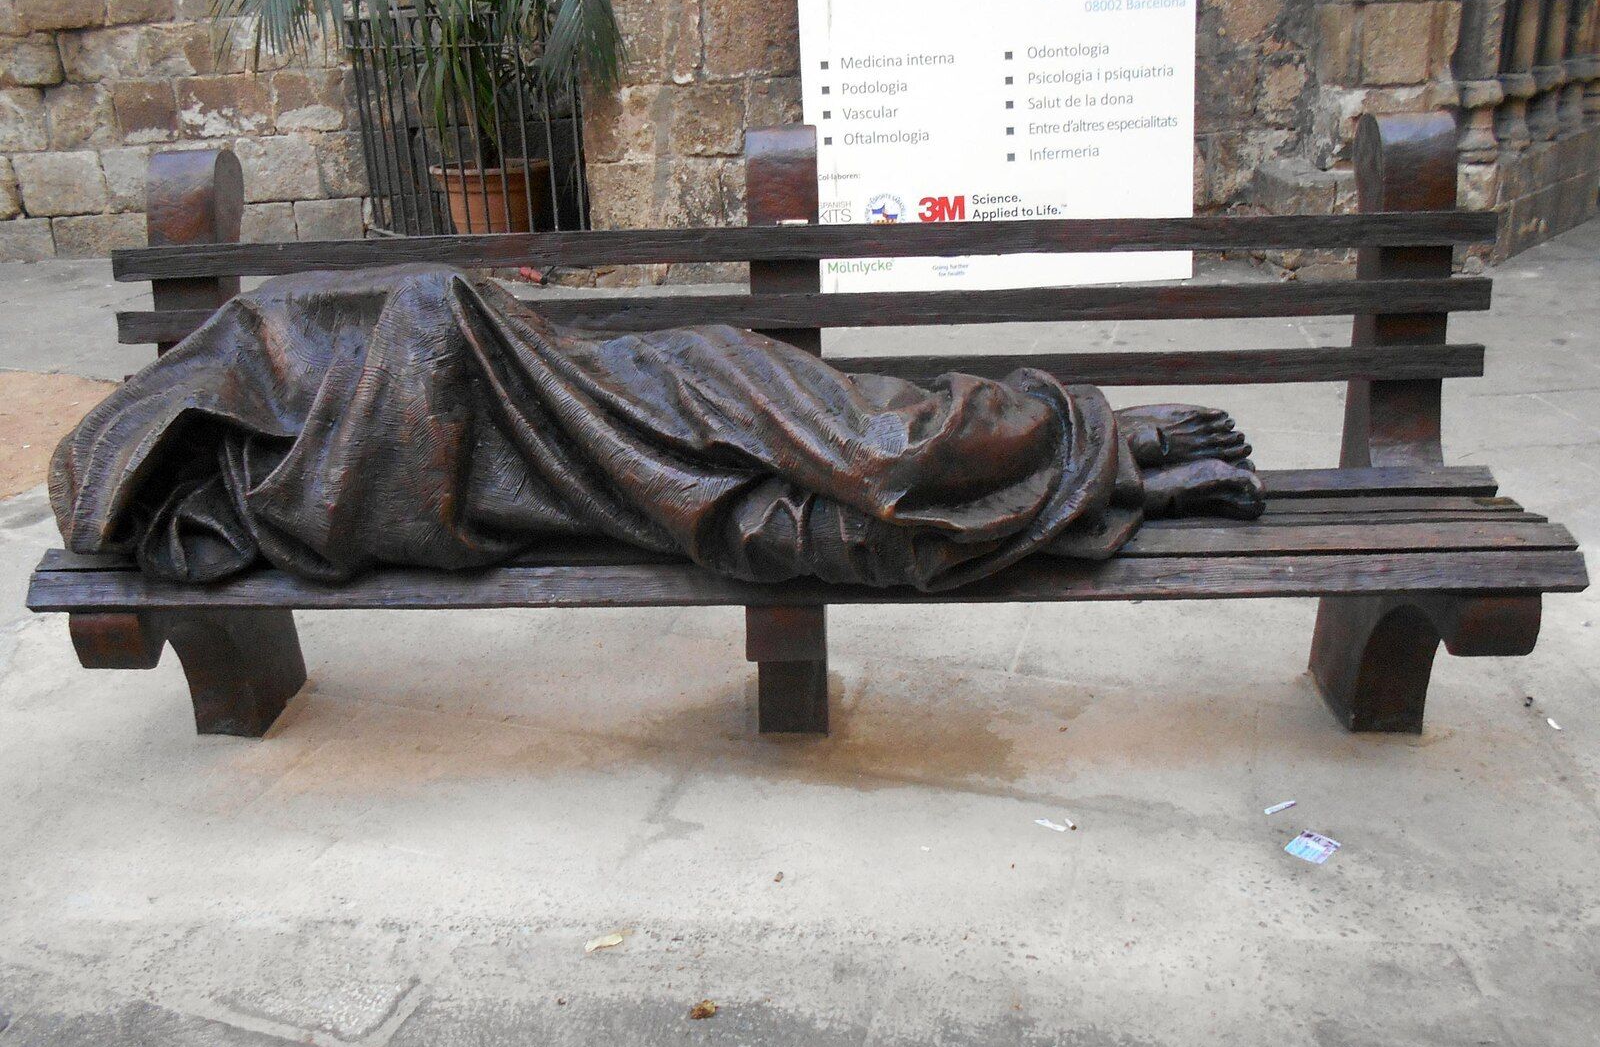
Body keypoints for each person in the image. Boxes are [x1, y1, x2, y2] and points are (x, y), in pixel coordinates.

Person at [51, 266, 1263, 592]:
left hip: (629, 388)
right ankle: (1116, 489)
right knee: (778, 532)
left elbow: (439, 308)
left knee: (869, 449)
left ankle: (1092, 439)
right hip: (570, 489)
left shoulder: (270, 341)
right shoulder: (262, 504)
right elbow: (384, 519)